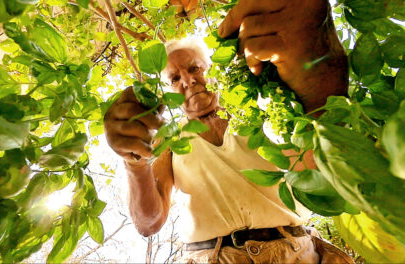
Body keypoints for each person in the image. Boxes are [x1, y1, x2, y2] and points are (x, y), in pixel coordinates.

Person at [104, 0, 353, 263]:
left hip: (293, 252)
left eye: (194, 68)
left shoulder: (262, 111)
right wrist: (134, 161)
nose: (187, 80)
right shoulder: (169, 138)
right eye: (174, 79)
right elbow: (148, 223)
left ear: (213, 71)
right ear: (167, 93)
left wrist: (321, 94)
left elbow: (316, 172)